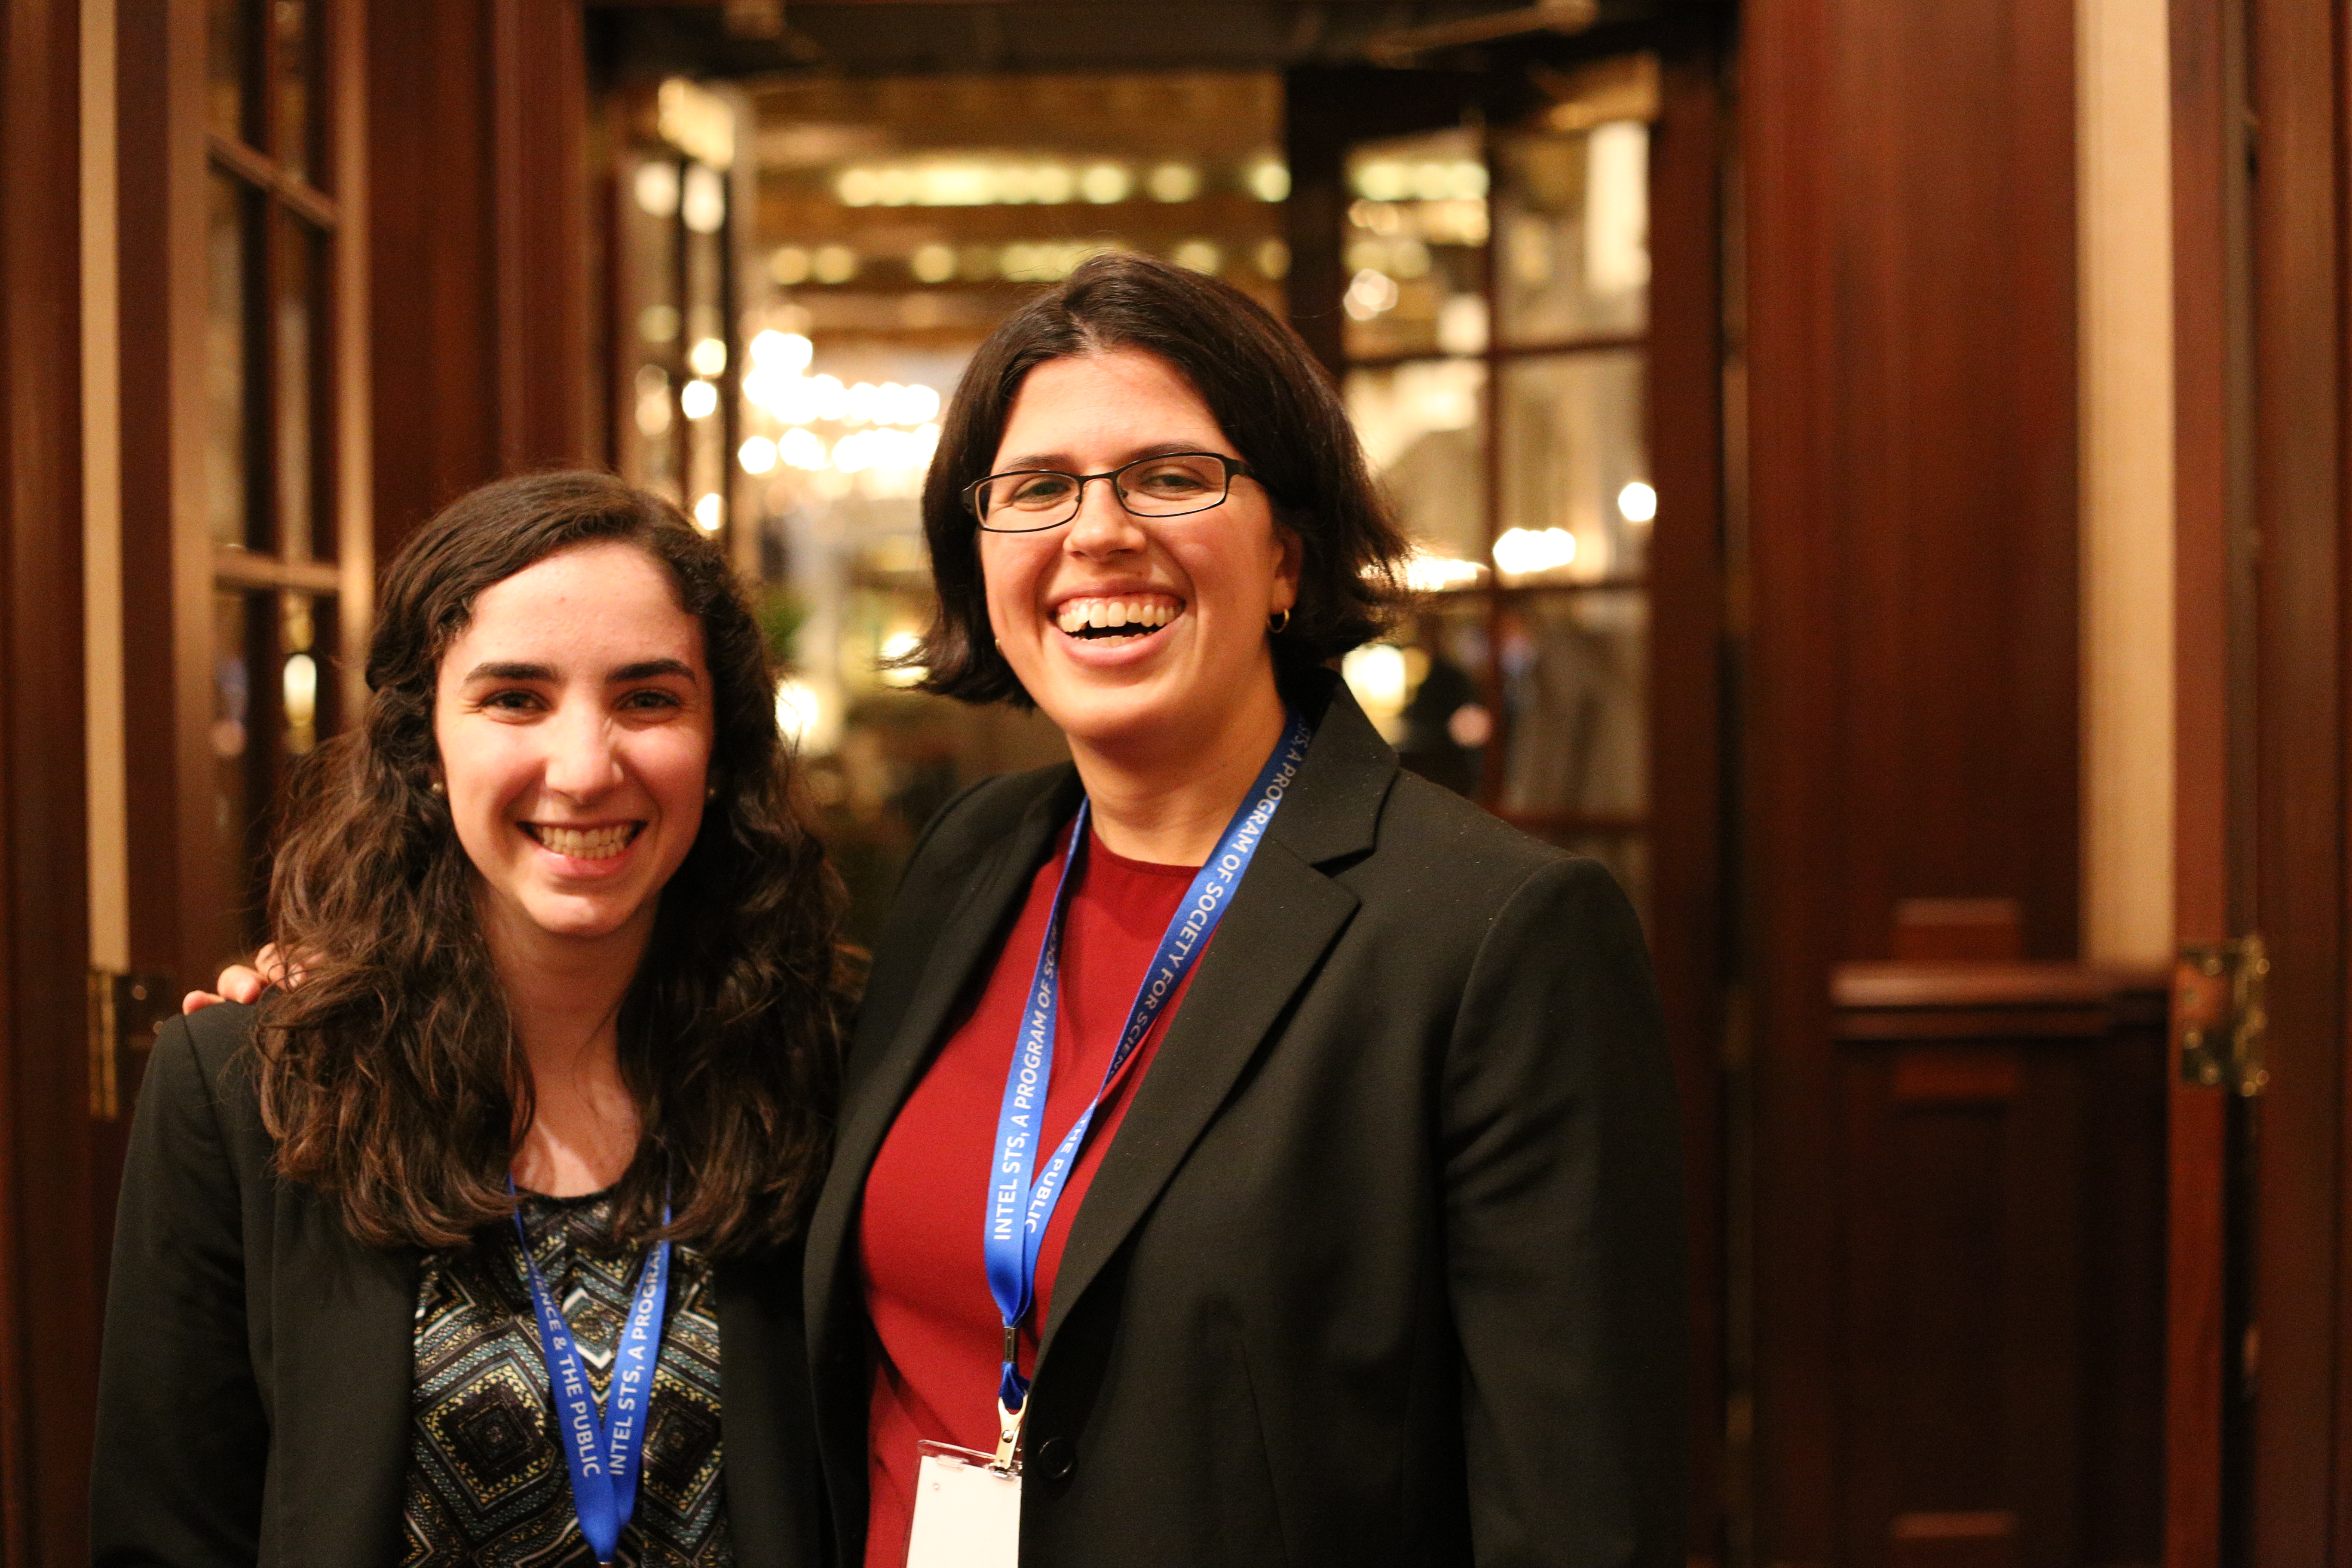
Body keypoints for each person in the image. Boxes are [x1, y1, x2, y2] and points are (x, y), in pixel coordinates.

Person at [805, 254, 1687, 1566]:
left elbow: (1575, 1512)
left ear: (1290, 552)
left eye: (1170, 476)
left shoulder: (1496, 935)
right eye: (1037, 489)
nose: (1097, 533)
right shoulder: (966, 865)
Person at [100, 473, 842, 1567]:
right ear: (422, 745)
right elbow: (167, 1537)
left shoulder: (835, 1061)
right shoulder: (251, 1087)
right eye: (515, 699)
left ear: (721, 747)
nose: (586, 768)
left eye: (648, 699)